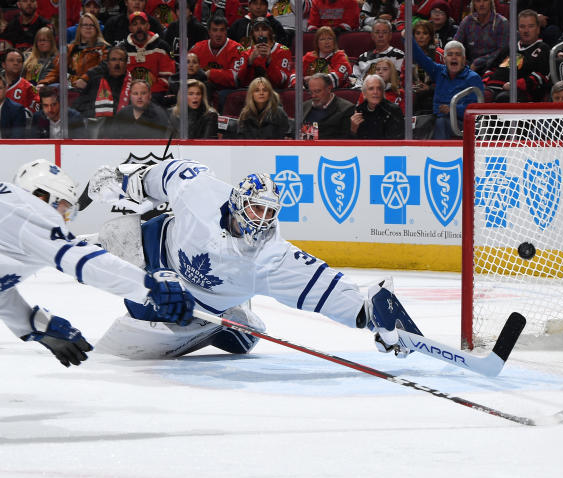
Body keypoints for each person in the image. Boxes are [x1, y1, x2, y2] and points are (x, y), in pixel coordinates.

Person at [84, 159, 403, 360]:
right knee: (116, 231)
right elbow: (161, 177)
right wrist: (124, 182)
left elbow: (322, 286)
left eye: (269, 212)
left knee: (224, 340)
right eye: (256, 208)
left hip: (192, 307)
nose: (262, 220)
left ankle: (226, 321)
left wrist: (368, 314)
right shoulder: (199, 188)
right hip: (154, 250)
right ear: (237, 201)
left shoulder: (271, 257)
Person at [0, 159, 194, 368]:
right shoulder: (25, 212)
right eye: (64, 208)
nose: (65, 220)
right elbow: (80, 259)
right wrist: (149, 287)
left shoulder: (9, 218)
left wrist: (31, 323)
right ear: (41, 196)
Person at [411, 38, 482, 139]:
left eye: (458, 54)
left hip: (464, 125)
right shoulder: (439, 71)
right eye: (450, 54)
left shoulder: (473, 78)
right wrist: (408, 38)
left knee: (441, 122)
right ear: (444, 59)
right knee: (419, 123)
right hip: (438, 119)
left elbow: (476, 111)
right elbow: (421, 58)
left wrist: (452, 109)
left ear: (464, 59)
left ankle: (438, 153)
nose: (454, 57)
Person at [482, 8, 551, 103]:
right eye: (522, 27)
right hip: (492, 88)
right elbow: (491, 69)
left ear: (538, 29)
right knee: (477, 96)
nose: (526, 30)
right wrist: (485, 81)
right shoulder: (510, 47)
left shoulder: (543, 49)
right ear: (518, 29)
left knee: (503, 98)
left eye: (530, 26)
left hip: (518, 93)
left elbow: (540, 77)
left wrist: (514, 85)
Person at [41, 13, 110, 90]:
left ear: (97, 28)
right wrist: (43, 83)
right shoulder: (69, 48)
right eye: (85, 25)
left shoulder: (104, 48)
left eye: (92, 25)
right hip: (69, 89)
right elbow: (55, 69)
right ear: (79, 28)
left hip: (93, 89)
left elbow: (104, 67)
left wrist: (85, 78)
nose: (88, 28)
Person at [71, 46, 133, 125]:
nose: (117, 63)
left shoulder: (133, 85)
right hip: (96, 126)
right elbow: (78, 105)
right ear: (108, 63)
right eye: (113, 59)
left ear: (126, 63)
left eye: (121, 60)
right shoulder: (96, 81)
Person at [122, 11, 176, 100]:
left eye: (142, 23)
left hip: (156, 95)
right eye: (135, 24)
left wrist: (146, 94)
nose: (139, 27)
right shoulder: (122, 49)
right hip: (129, 95)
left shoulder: (162, 47)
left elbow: (167, 78)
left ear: (148, 26)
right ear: (130, 28)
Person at [189, 14, 244, 91]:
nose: (218, 34)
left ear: (226, 31)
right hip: (201, 90)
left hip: (227, 93)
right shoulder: (196, 48)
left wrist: (210, 74)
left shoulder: (237, 49)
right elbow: (187, 73)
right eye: (215, 30)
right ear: (209, 32)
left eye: (222, 30)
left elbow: (237, 78)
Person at [104, 78, 172, 138]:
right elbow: (112, 138)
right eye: (135, 94)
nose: (139, 97)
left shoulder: (159, 115)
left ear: (150, 95)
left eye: (143, 93)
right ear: (130, 96)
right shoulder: (122, 113)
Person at [453, 0, 508, 73]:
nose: (481, 4)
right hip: (468, 68)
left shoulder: (501, 23)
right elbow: (455, 45)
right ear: (474, 3)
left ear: (490, 2)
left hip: (494, 68)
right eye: (478, 1)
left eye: (485, 1)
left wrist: (478, 62)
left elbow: (501, 52)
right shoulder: (467, 21)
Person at [238, 16, 293, 89]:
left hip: (275, 93)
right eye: (256, 30)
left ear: (270, 31)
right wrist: (249, 62)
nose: (260, 34)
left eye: (264, 29)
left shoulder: (283, 51)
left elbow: (281, 82)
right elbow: (240, 81)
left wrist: (269, 61)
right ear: (252, 33)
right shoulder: (247, 52)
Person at [350, 73, 404, 139]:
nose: (375, 92)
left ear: (383, 92)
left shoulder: (393, 111)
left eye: (379, 88)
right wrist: (352, 131)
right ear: (364, 93)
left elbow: (396, 141)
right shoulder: (357, 112)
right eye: (371, 89)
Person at [301, 73, 353, 139]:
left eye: (317, 91)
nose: (313, 96)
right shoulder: (304, 106)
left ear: (329, 89)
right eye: (311, 92)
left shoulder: (346, 109)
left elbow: (345, 140)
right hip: (305, 147)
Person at [353, 19, 405, 86]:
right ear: (372, 36)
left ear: (390, 35)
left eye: (384, 32)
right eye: (377, 32)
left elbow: (397, 81)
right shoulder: (362, 57)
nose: (380, 35)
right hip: (362, 92)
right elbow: (353, 79)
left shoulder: (399, 56)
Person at [411, 19, 443, 114]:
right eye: (418, 33)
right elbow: (403, 77)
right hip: (414, 94)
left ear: (430, 36)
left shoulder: (439, 54)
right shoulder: (408, 54)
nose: (421, 37)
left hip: (434, 94)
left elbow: (446, 80)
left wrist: (430, 88)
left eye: (425, 33)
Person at [2, 49, 39, 114]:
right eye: (11, 60)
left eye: (19, 61)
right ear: (3, 64)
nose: (16, 63)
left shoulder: (29, 87)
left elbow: (35, 108)